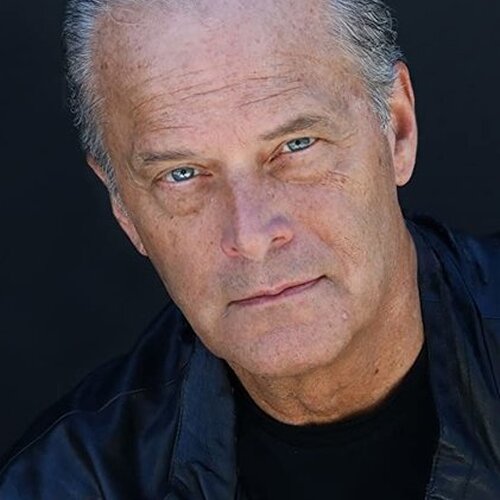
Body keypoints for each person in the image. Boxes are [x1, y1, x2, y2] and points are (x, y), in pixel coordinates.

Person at [1, 0, 499, 498]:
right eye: (181, 174)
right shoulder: (59, 486)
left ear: (398, 129)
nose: (252, 235)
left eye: (298, 144)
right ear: (123, 207)